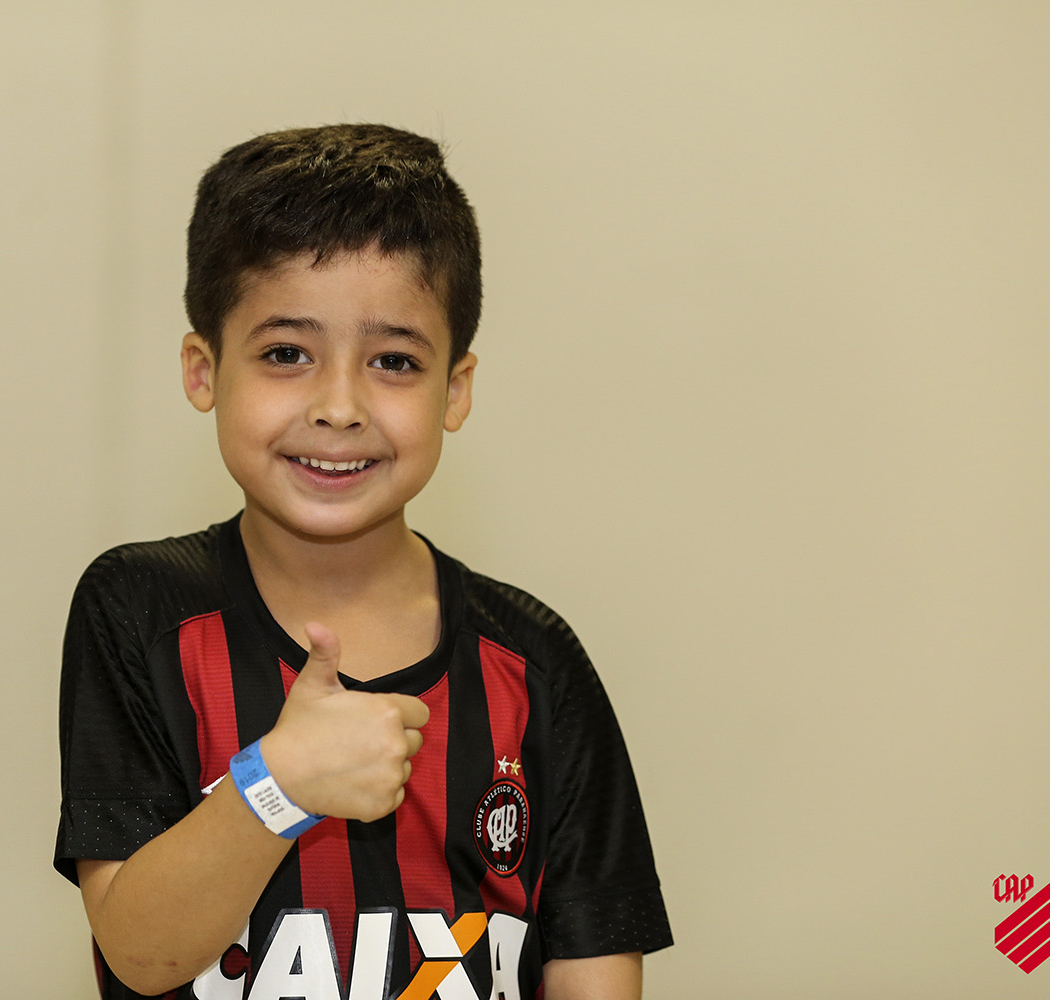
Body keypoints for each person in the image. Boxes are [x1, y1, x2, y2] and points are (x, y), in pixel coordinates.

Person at [55, 123, 672, 1000]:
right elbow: (139, 953)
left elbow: (594, 971)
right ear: (203, 370)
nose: (339, 406)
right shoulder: (141, 613)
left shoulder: (535, 664)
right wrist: (278, 784)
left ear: (454, 389)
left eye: (393, 360)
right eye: (286, 353)